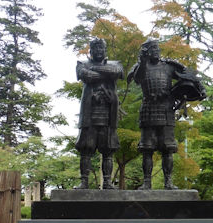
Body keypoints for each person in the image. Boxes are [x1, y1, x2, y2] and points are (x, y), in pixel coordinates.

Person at [127, 39, 205, 190]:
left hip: (166, 108)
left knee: (167, 148)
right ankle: (147, 182)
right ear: (147, 52)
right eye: (152, 49)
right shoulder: (141, 66)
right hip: (149, 108)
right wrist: (142, 60)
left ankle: (168, 181)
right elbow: (137, 78)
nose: (156, 51)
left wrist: (200, 89)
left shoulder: (168, 66)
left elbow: (188, 75)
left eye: (157, 48)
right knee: (147, 148)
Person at [74, 38, 124, 189]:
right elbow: (86, 76)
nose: (98, 51)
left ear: (105, 50)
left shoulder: (115, 64)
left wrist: (95, 69)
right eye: (95, 48)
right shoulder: (82, 64)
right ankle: (84, 181)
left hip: (108, 114)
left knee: (108, 150)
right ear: (91, 50)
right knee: (85, 149)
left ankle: (107, 181)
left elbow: (117, 72)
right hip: (89, 114)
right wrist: (106, 73)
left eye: (101, 48)